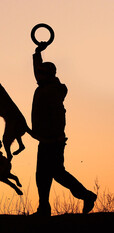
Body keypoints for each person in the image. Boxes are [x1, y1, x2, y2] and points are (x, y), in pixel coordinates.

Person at [31, 42, 97, 216]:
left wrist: (50, 137)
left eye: (41, 73)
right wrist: (37, 53)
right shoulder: (45, 87)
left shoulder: (53, 91)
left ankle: (87, 195)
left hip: (52, 141)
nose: (38, 76)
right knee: (42, 176)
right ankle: (44, 208)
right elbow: (38, 71)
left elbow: (58, 119)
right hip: (45, 140)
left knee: (56, 174)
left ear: (49, 75)